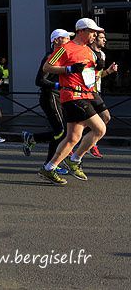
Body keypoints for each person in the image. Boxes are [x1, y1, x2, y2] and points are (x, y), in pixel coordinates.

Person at [40, 18, 108, 185]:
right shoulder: (65, 48)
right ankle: (75, 160)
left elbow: (91, 75)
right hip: (72, 96)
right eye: (92, 32)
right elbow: (46, 68)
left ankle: (49, 168)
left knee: (73, 137)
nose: (95, 35)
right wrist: (68, 69)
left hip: (86, 95)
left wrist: (99, 67)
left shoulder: (89, 50)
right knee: (100, 129)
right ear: (81, 31)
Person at [21, 29, 72, 177]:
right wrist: (58, 86)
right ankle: (49, 165)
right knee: (61, 132)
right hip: (50, 97)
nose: (69, 40)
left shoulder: (62, 55)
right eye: (66, 38)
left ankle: (33, 139)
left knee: (62, 132)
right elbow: (39, 80)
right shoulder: (52, 56)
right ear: (56, 41)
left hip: (59, 97)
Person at [88, 31, 117, 159]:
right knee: (105, 116)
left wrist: (108, 72)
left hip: (95, 91)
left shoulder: (103, 54)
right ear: (94, 39)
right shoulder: (87, 52)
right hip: (87, 91)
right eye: (102, 38)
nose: (104, 40)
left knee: (97, 120)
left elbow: (98, 76)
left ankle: (89, 144)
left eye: (105, 38)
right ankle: (89, 144)